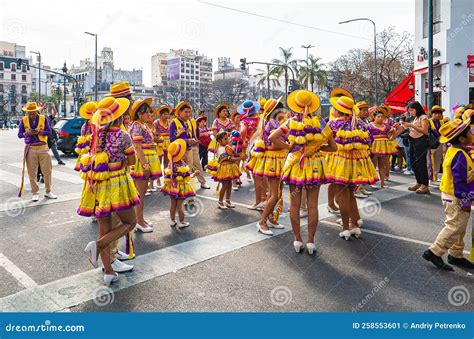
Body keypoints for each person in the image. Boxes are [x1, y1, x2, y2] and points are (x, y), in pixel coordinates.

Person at [78, 97, 139, 285]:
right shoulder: (123, 135)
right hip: (118, 184)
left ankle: (109, 272)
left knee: (104, 228)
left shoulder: (97, 134)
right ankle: (98, 246)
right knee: (131, 222)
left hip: (99, 184)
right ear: (119, 116)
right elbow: (132, 161)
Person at [269, 90, 336, 253]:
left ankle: (297, 239)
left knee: (295, 204)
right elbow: (334, 147)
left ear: (294, 106)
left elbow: (272, 137)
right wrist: (317, 148)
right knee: (313, 205)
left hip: (296, 165)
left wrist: (289, 147)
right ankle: (311, 241)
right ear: (312, 106)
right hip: (315, 165)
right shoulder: (320, 123)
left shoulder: (290, 122)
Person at [422, 116, 474, 270]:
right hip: (456, 197)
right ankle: (434, 251)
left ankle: (456, 254)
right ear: (463, 138)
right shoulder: (459, 155)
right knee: (454, 226)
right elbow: (459, 181)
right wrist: (465, 200)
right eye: (470, 132)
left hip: (455, 196)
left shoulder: (458, 150)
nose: (472, 133)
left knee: (460, 226)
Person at [326, 96, 378, 240]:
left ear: (337, 110)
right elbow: (370, 140)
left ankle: (346, 227)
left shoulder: (332, 123)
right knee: (349, 193)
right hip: (357, 161)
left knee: (341, 195)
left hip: (338, 162)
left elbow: (325, 141)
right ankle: (354, 223)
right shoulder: (360, 123)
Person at [248, 98, 288, 234]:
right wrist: (290, 146)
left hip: (278, 159)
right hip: (274, 159)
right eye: (283, 109)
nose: (285, 112)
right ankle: (262, 222)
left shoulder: (274, 122)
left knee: (275, 193)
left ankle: (270, 218)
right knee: (274, 194)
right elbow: (275, 143)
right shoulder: (272, 124)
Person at [129, 98, 162, 233]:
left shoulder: (142, 125)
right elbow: (137, 147)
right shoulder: (137, 125)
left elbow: (142, 144)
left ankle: (140, 219)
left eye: (149, 111)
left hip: (146, 159)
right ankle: (139, 221)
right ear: (139, 114)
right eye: (146, 112)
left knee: (140, 193)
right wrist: (146, 165)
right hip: (142, 161)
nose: (149, 114)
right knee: (140, 194)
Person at [18, 102, 57, 201]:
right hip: (30, 148)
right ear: (27, 112)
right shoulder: (23, 120)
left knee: (47, 171)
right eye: (30, 112)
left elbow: (49, 132)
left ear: (36, 110)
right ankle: (35, 193)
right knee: (32, 172)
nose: (32, 114)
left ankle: (48, 191)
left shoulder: (44, 118)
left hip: (43, 147)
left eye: (33, 112)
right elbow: (19, 135)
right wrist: (26, 133)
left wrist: (39, 132)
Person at [161, 139, 198, 228]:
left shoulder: (170, 164)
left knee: (173, 204)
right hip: (181, 188)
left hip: (172, 187)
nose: (185, 153)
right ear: (180, 154)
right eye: (184, 152)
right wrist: (195, 174)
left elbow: (167, 177)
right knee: (180, 205)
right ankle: (182, 222)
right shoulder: (182, 165)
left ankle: (172, 221)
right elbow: (187, 178)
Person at [368, 108, 403, 188]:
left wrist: (392, 138)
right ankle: (373, 181)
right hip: (374, 146)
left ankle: (382, 183)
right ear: (374, 117)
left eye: (382, 117)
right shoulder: (370, 125)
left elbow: (396, 131)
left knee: (382, 165)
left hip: (384, 146)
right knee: (373, 164)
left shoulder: (387, 126)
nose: (380, 118)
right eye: (378, 117)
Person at [209, 131, 242, 209]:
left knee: (229, 184)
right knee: (224, 185)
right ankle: (220, 201)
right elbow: (229, 159)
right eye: (225, 139)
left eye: (227, 138)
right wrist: (240, 158)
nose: (227, 140)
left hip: (230, 168)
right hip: (224, 169)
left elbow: (231, 156)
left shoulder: (226, 147)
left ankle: (228, 200)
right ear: (219, 141)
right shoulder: (221, 149)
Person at [403, 102, 430, 194]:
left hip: (421, 141)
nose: (411, 112)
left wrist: (411, 125)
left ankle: (425, 185)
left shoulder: (423, 117)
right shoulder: (415, 118)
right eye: (409, 111)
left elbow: (425, 131)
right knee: (413, 163)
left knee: (421, 163)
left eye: (412, 110)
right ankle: (419, 182)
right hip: (412, 141)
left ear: (417, 109)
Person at [154, 105, 172, 187]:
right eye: (165, 114)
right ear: (161, 115)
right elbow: (153, 133)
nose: (166, 116)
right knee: (158, 162)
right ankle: (158, 180)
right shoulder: (156, 122)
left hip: (168, 143)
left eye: (167, 114)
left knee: (166, 162)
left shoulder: (170, 122)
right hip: (160, 143)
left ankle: (166, 178)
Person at [428, 105, 446, 183]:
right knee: (430, 162)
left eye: (439, 113)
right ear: (432, 114)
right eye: (435, 113)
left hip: (440, 144)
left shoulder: (442, 122)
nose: (437, 115)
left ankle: (435, 176)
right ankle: (430, 177)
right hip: (430, 144)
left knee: (438, 161)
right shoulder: (428, 121)